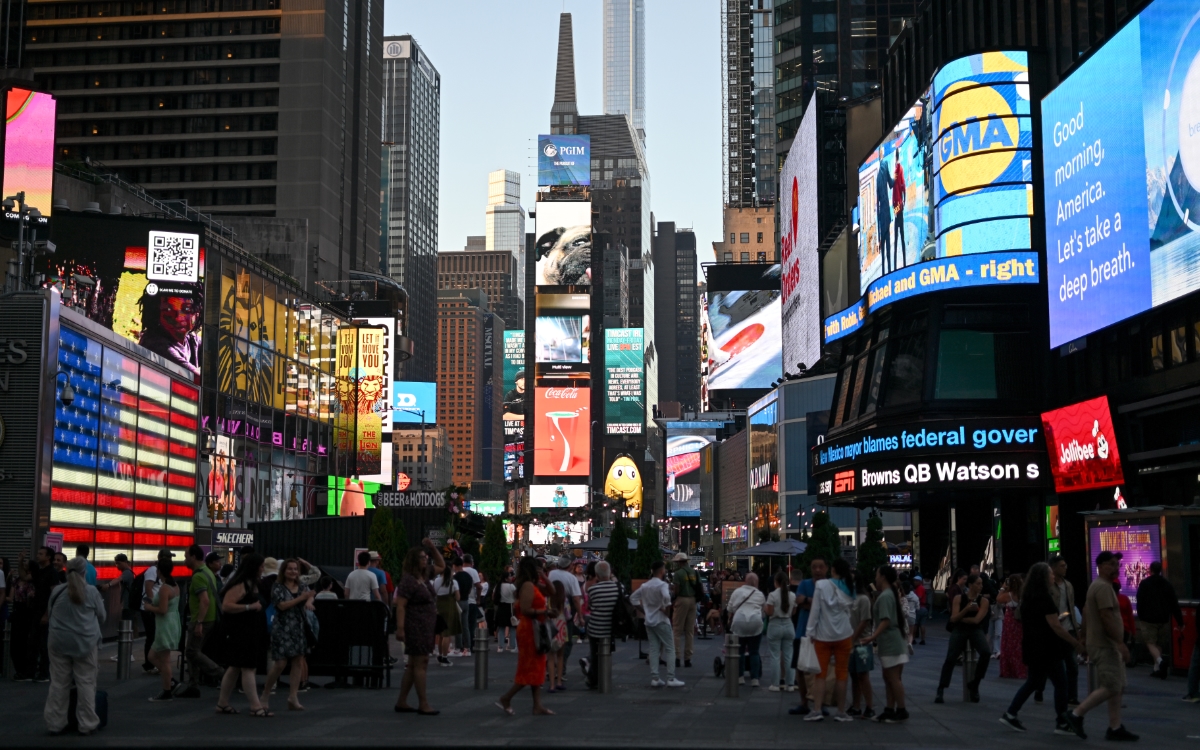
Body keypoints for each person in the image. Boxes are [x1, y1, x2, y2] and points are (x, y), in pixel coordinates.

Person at [997, 562, 1084, 735]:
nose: (1053, 576)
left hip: (1032, 646)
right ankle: (1061, 722)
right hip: (1048, 648)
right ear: (1043, 577)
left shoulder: (1028, 596)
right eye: (1050, 574)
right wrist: (1075, 642)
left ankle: (1011, 713)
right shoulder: (1044, 597)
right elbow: (1056, 626)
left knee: (1033, 682)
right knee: (1061, 683)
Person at [1061, 551, 1138, 741]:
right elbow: (1105, 616)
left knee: (1117, 685)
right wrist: (1120, 643)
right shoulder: (1103, 588)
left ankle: (1115, 726)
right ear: (1101, 566)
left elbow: (1087, 612)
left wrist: (1084, 637)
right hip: (1106, 644)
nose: (1116, 568)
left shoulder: (1098, 586)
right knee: (1112, 685)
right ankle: (1076, 714)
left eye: (1116, 564)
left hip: (1102, 643)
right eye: (1111, 564)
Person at [43, 557, 106, 735]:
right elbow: (102, 617)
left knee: (58, 683)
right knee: (85, 682)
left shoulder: (56, 591)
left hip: (58, 641)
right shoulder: (91, 591)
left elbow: (50, 612)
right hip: (85, 642)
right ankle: (87, 723)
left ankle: (55, 723)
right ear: (85, 571)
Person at [495, 556, 555, 715]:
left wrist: (543, 576)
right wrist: (545, 611)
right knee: (529, 666)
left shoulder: (532, 585)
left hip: (533, 627)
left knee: (537, 665)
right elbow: (526, 609)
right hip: (529, 628)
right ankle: (506, 697)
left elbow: (552, 591)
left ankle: (537, 705)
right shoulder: (528, 586)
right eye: (539, 568)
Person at [214, 554, 271, 717]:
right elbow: (227, 605)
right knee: (247, 667)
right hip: (242, 632)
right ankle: (255, 705)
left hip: (249, 630)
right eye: (261, 566)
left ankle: (222, 703)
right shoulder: (242, 584)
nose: (262, 569)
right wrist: (249, 607)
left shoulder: (253, 583)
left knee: (235, 667)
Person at [394, 539, 445, 715]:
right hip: (415, 625)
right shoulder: (409, 581)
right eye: (422, 558)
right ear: (414, 561)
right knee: (420, 663)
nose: (426, 560)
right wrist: (400, 628)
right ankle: (423, 703)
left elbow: (441, 565)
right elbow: (401, 605)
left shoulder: (424, 576)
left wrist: (432, 547)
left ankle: (402, 701)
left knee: (413, 664)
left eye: (426, 557)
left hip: (425, 625)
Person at [805, 557, 856, 722]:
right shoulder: (850, 587)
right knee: (842, 674)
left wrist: (810, 632)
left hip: (822, 636)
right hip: (844, 635)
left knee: (820, 674)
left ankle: (817, 709)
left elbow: (815, 611)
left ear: (832, 570)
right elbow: (851, 611)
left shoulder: (822, 585)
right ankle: (841, 711)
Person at [262, 559, 315, 712]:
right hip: (282, 627)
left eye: (295, 569)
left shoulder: (302, 585)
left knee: (298, 660)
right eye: (290, 569)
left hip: (298, 626)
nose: (293, 572)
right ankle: (266, 693)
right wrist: (301, 598)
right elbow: (282, 605)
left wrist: (309, 600)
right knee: (280, 663)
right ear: (283, 571)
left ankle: (293, 697)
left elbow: (310, 594)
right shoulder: (277, 587)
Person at [862, 565, 909, 723]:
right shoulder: (890, 594)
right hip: (893, 640)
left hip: (891, 641)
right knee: (889, 677)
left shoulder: (886, 596)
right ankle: (890, 709)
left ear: (882, 577)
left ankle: (901, 709)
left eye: (877, 574)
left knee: (893, 677)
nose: (875, 578)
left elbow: (886, 620)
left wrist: (872, 637)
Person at [936, 573, 991, 704]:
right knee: (951, 657)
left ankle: (975, 684)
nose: (980, 586)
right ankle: (941, 688)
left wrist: (962, 618)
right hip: (959, 630)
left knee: (986, 652)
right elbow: (953, 618)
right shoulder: (959, 598)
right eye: (978, 584)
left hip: (974, 630)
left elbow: (977, 620)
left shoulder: (984, 601)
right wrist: (966, 609)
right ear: (970, 585)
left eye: (981, 584)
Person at [632, 560, 684, 688]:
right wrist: (666, 609)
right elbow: (667, 597)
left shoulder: (645, 586)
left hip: (649, 620)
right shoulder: (662, 585)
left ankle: (655, 677)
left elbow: (632, 598)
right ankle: (671, 678)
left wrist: (644, 610)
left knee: (654, 649)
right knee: (670, 648)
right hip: (661, 620)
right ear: (662, 571)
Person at [181, 544, 223, 696]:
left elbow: (204, 600)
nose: (184, 560)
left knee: (192, 651)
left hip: (201, 619)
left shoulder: (198, 576)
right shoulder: (207, 572)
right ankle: (193, 685)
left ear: (193, 557)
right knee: (193, 651)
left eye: (186, 557)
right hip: (210, 618)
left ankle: (220, 674)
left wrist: (198, 622)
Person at [789, 556, 828, 716]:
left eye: (820, 567)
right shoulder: (805, 584)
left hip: (823, 633)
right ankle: (804, 702)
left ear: (826, 568)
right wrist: (815, 601)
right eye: (814, 567)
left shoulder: (829, 585)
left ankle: (820, 702)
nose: (817, 570)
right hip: (802, 632)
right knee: (800, 668)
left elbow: (827, 603)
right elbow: (799, 601)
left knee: (821, 670)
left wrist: (808, 601)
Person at [1135, 561, 1183, 679]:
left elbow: (1139, 601)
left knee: (1150, 643)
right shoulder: (1167, 584)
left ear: (1150, 570)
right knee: (1159, 644)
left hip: (1148, 619)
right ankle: (1157, 669)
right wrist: (1180, 621)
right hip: (1163, 618)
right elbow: (1174, 603)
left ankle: (1160, 662)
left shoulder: (1144, 584)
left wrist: (1140, 615)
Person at [143, 550, 180, 701]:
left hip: (165, 625)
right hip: (171, 622)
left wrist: (149, 607)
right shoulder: (175, 585)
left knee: (163, 660)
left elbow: (162, 610)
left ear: (159, 571)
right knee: (153, 656)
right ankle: (169, 680)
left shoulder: (165, 589)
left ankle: (167, 690)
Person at [580, 561, 620, 689]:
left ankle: (593, 678)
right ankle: (602, 678)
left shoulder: (593, 589)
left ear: (597, 574)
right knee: (606, 653)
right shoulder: (618, 587)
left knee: (594, 653)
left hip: (595, 627)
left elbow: (590, 606)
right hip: (611, 627)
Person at [1050, 555, 1082, 705]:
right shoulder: (1049, 586)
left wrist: (1077, 628)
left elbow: (1071, 606)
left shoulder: (1068, 585)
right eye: (1062, 565)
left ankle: (1072, 696)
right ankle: (1037, 689)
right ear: (1054, 568)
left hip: (1069, 628)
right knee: (1052, 667)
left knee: (1072, 666)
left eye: (1065, 565)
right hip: (1054, 631)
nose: (1065, 567)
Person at [726, 572, 766, 687]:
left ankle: (740, 677)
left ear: (745, 581)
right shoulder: (760, 594)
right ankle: (755, 679)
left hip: (739, 622)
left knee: (740, 651)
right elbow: (763, 613)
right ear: (757, 582)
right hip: (755, 621)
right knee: (754, 652)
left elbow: (730, 608)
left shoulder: (737, 592)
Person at [847, 569, 875, 718]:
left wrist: (853, 638)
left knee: (863, 675)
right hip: (851, 643)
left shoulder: (863, 599)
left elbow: (865, 621)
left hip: (862, 643)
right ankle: (856, 705)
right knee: (854, 675)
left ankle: (869, 706)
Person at [764, 570, 796, 693]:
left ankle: (775, 684)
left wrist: (765, 609)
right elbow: (793, 612)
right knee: (789, 656)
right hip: (788, 625)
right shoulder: (792, 595)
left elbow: (770, 612)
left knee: (775, 656)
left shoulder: (772, 595)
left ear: (775, 582)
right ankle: (790, 684)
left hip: (775, 625)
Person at [32, 546, 61, 682]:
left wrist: (47, 614)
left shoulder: (52, 573)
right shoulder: (40, 571)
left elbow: (53, 594)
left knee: (44, 643)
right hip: (36, 610)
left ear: (48, 557)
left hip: (45, 612)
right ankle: (38, 670)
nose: (38, 556)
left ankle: (45, 672)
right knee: (36, 641)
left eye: (40, 554)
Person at [547, 556, 581, 663]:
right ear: (570, 566)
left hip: (551, 607)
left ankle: (551, 665)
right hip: (566, 610)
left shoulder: (552, 574)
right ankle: (561, 666)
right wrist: (580, 615)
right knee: (567, 640)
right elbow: (576, 598)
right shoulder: (572, 578)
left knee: (551, 637)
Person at [670, 552, 699, 669]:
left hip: (682, 600)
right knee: (689, 631)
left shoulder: (678, 573)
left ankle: (677, 657)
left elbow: (676, 589)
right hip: (693, 600)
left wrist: (674, 597)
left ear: (679, 562)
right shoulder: (694, 572)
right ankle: (688, 659)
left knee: (677, 630)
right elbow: (699, 586)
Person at [997, 574, 1026, 679]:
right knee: (1019, 645)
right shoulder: (1023, 594)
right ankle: (1021, 669)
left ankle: (1008, 670)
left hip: (1010, 622)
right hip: (1020, 622)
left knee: (1008, 645)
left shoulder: (1008, 595)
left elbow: (998, 599)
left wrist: (1003, 587)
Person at [433, 562, 460, 667]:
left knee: (439, 633)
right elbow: (458, 597)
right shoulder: (453, 582)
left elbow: (433, 594)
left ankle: (439, 655)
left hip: (438, 607)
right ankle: (445, 657)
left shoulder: (436, 581)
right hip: (449, 608)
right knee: (447, 634)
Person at [546, 580, 569, 691]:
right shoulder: (564, 601)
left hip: (550, 629)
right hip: (562, 629)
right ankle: (559, 681)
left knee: (550, 657)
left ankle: (551, 685)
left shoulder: (548, 599)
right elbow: (568, 615)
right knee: (560, 656)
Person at [461, 555, 483, 654]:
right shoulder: (473, 571)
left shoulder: (458, 570)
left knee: (461, 624)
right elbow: (479, 586)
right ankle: (470, 645)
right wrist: (478, 599)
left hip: (459, 600)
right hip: (471, 601)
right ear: (471, 562)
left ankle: (461, 645)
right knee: (471, 624)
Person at [494, 568, 517, 653]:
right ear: (506, 578)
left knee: (501, 627)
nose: (511, 578)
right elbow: (516, 596)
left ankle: (500, 646)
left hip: (501, 607)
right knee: (512, 627)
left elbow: (494, 596)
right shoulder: (511, 586)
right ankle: (512, 646)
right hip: (510, 607)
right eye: (510, 576)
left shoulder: (498, 586)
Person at [912, 575, 928, 645]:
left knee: (915, 624)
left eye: (916, 581)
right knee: (922, 625)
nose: (914, 582)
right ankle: (923, 639)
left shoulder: (919, 588)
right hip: (924, 607)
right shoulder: (922, 588)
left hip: (919, 607)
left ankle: (913, 639)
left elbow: (919, 597)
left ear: (920, 582)